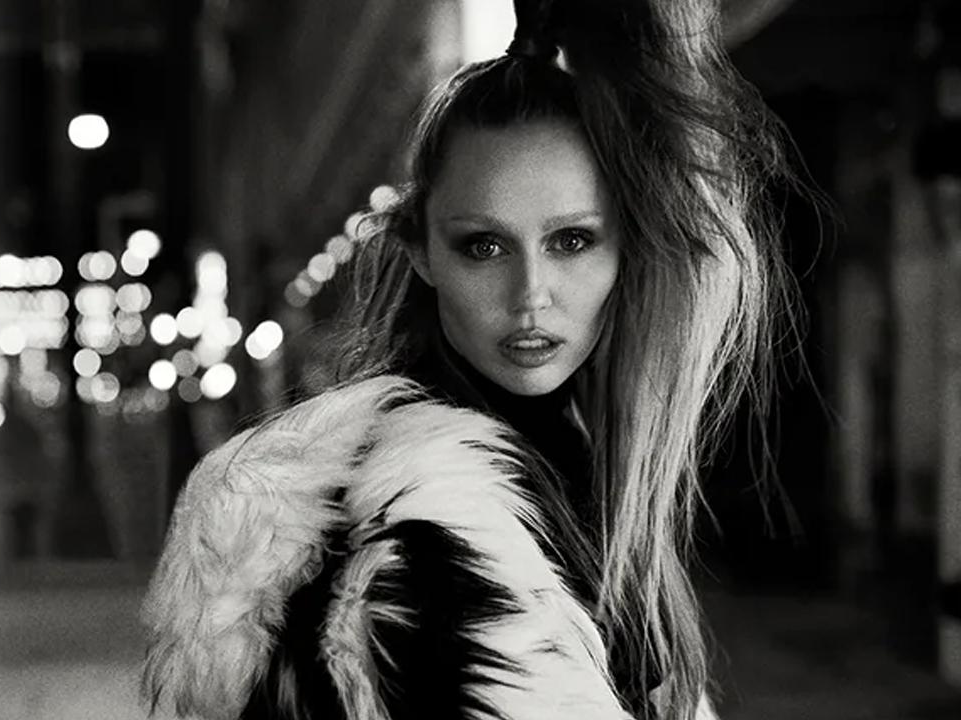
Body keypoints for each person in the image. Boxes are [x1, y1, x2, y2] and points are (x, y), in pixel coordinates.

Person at [141, 0, 801, 718]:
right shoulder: (411, 534)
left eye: (571, 241)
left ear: (626, 251)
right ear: (421, 252)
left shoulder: (580, 468)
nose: (530, 296)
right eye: (483, 246)